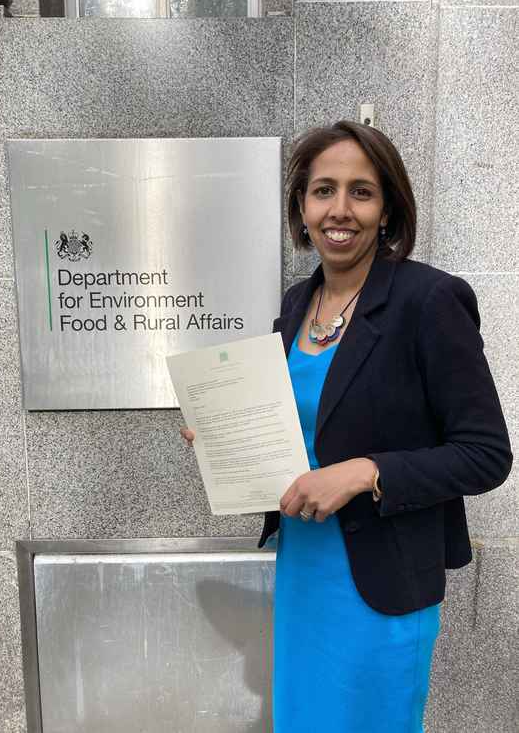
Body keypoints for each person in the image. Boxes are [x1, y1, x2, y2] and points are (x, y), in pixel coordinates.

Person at [181, 120, 512, 732]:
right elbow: (302, 427)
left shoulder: (429, 302)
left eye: (361, 192)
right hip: (304, 566)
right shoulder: (294, 305)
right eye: (323, 190)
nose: (340, 209)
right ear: (301, 207)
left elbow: (487, 454)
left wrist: (367, 473)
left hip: (381, 582)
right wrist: (226, 436)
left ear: (388, 209)